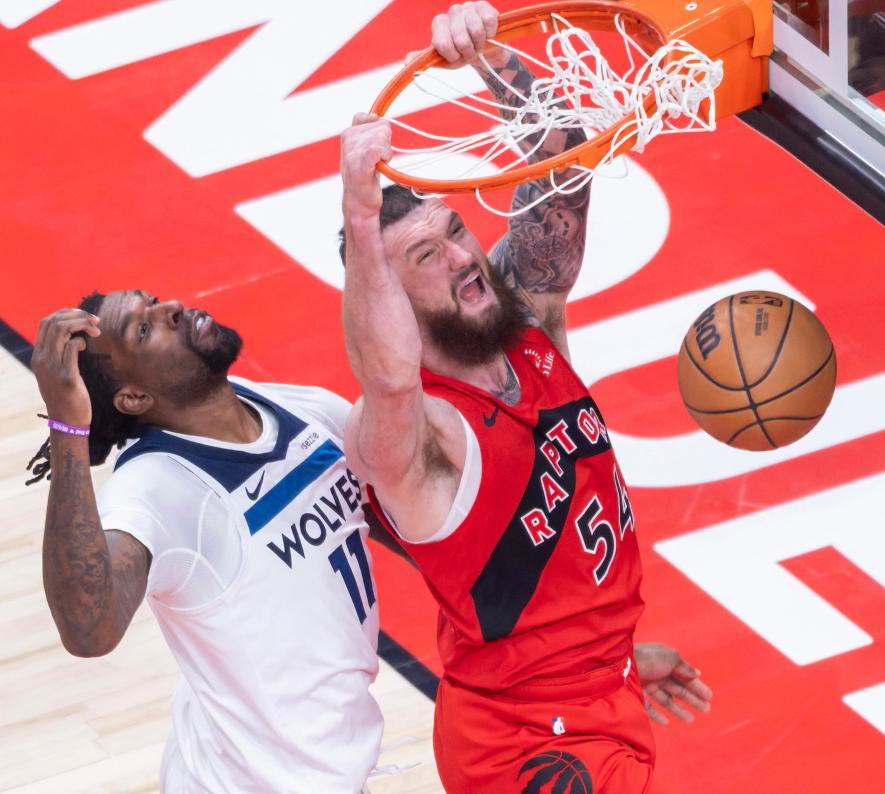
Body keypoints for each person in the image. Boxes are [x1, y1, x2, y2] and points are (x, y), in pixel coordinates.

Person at [339, 3, 713, 791]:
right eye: (426, 258)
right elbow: (387, 373)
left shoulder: (522, 316)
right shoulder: (413, 435)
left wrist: (488, 56)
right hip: (525, 746)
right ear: (392, 300)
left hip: (590, 696)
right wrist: (359, 213)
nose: (461, 258)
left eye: (456, 232)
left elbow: (558, 161)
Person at [28, 290, 391, 793]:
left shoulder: (304, 410)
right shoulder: (155, 487)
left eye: (154, 301)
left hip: (327, 768)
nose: (173, 308)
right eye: (144, 329)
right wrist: (68, 424)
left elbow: (408, 517)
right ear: (134, 398)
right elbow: (88, 628)